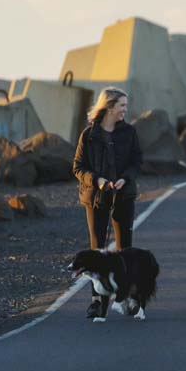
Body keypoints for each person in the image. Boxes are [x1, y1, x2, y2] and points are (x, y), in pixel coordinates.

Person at [72, 87, 143, 319]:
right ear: (110, 107)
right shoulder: (88, 135)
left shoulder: (129, 132)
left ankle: (130, 299)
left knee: (125, 250)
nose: (125, 109)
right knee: (97, 250)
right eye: (122, 105)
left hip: (124, 194)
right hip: (96, 197)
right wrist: (97, 180)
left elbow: (137, 161)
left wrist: (125, 178)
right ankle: (97, 301)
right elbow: (78, 167)